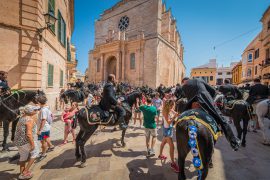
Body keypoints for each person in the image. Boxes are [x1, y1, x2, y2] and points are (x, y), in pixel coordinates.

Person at [182, 77, 241, 151]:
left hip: (191, 102)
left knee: (182, 117)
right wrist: (210, 100)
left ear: (184, 82)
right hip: (204, 98)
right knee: (221, 118)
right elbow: (213, 91)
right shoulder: (199, 79)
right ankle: (233, 142)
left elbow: (187, 97)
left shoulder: (183, 86)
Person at [14, 105, 40, 180]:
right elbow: (29, 134)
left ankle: (21, 173)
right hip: (26, 141)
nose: (36, 111)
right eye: (35, 110)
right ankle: (25, 172)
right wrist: (32, 144)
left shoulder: (22, 118)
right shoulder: (29, 120)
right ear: (31, 112)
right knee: (35, 153)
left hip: (19, 142)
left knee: (23, 157)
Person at [158, 99, 179, 172]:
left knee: (163, 142)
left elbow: (175, 112)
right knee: (172, 147)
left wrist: (176, 113)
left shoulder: (170, 109)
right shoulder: (166, 111)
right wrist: (174, 117)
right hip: (167, 130)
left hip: (168, 129)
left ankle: (160, 155)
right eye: (173, 105)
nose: (173, 107)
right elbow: (169, 122)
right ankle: (173, 164)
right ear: (170, 105)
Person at [36, 96, 54, 162]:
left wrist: (40, 130)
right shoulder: (46, 107)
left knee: (43, 142)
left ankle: (43, 154)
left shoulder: (43, 110)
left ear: (39, 102)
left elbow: (43, 120)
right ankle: (51, 146)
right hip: (47, 128)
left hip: (43, 129)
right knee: (46, 138)